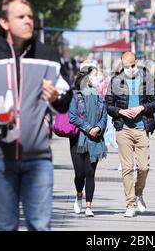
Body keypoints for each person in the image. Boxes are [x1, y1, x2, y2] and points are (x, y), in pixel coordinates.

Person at [0, 0, 72, 231]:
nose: (28, 21)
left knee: (40, 226)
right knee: (5, 226)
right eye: (20, 17)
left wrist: (56, 97)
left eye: (30, 16)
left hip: (38, 158)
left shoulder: (48, 56)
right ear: (4, 22)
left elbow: (66, 99)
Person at [106, 51, 155, 217]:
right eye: (126, 66)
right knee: (127, 168)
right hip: (123, 129)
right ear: (122, 65)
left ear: (136, 62)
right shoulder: (116, 81)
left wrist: (142, 108)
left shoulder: (147, 79)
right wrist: (121, 111)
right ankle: (130, 204)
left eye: (132, 65)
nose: (130, 68)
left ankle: (138, 193)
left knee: (144, 167)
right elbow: (108, 106)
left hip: (142, 128)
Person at [68, 61, 107, 217]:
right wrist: (88, 128)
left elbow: (104, 116)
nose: (97, 77)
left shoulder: (99, 95)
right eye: (94, 74)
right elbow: (72, 116)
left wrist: (98, 128)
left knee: (90, 172)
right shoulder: (75, 94)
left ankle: (89, 206)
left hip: (95, 138)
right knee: (80, 174)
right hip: (78, 139)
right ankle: (79, 195)